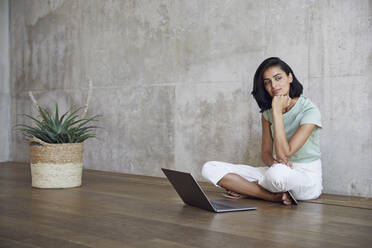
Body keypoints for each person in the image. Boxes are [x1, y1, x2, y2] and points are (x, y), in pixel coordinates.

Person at [202, 57, 323, 205]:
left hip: (306, 176)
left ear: (290, 77)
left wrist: (277, 113)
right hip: (275, 168)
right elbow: (266, 153)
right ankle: (272, 196)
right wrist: (273, 164)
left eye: (278, 78)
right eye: (267, 82)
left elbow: (284, 154)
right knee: (209, 168)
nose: (274, 85)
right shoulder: (267, 114)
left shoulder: (309, 110)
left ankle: (246, 189)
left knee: (277, 177)